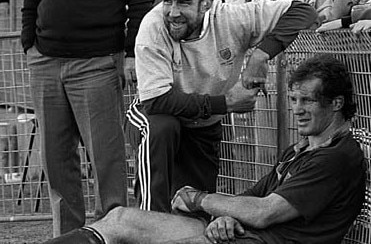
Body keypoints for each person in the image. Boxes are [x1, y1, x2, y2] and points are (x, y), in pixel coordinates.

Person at [42, 54, 366, 244]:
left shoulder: (337, 157)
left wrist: (200, 198)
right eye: (293, 100)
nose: (296, 109)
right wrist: (221, 216)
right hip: (239, 237)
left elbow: (265, 212)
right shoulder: (303, 149)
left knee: (128, 231)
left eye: (307, 100)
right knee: (120, 219)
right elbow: (253, 200)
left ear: (336, 103)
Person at [124, 0, 317, 213]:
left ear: (206, 4)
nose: (173, 12)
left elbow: (303, 11)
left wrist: (260, 56)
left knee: (194, 212)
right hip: (153, 116)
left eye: (183, 2)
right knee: (162, 127)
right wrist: (225, 103)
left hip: (203, 126)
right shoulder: (153, 25)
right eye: (167, 1)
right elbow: (156, 101)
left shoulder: (231, 18)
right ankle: (148, 220)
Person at [22, 0, 154, 237]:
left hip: (97, 63)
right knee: (56, 160)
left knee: (107, 161)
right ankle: (68, 238)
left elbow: (141, 0)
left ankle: (111, 235)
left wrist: (130, 53)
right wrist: (29, 43)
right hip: (45, 62)